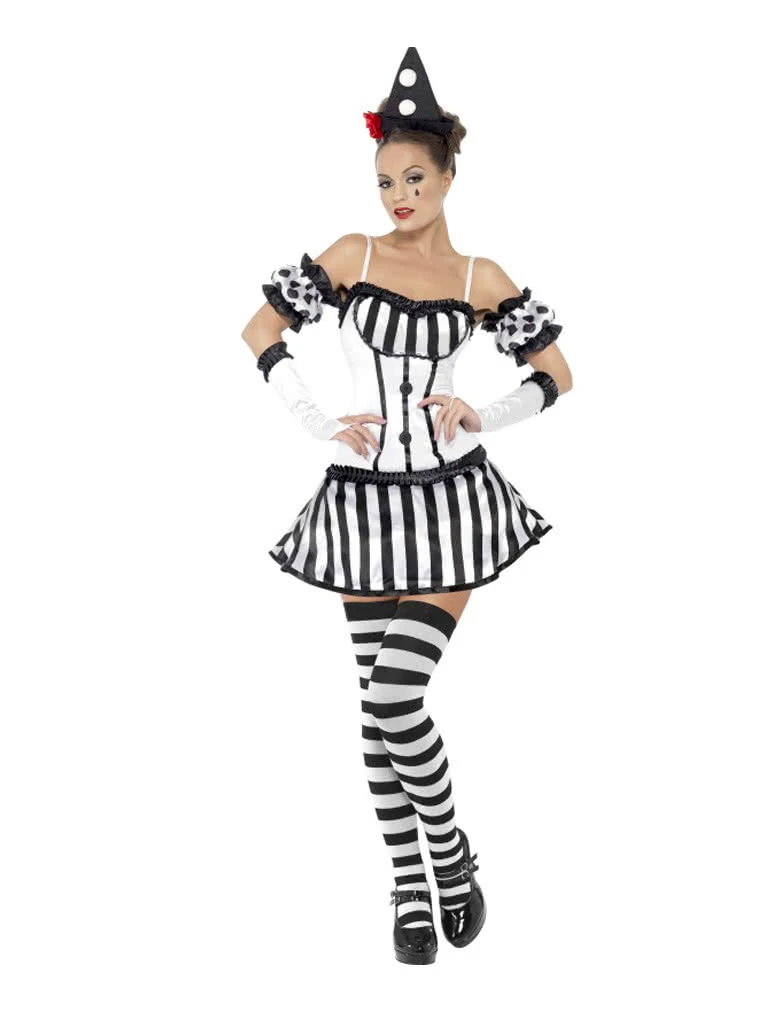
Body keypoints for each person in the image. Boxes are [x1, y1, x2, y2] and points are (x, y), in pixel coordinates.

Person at [241, 47, 573, 965]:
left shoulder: (478, 279)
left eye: (415, 178)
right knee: (374, 708)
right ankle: (410, 882)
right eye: (386, 180)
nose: (398, 196)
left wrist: (481, 414)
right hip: (360, 510)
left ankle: (452, 858)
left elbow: (557, 373)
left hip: (452, 507)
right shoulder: (351, 256)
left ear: (449, 176)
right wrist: (317, 421)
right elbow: (261, 329)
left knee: (397, 694)